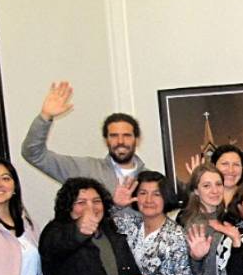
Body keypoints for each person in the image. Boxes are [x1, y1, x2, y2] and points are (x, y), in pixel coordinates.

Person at [21, 81, 158, 193]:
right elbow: (34, 155)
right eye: (114, 136)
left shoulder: (152, 181)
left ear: (137, 139)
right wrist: (45, 116)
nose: (120, 141)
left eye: (127, 135)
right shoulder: (84, 170)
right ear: (106, 140)